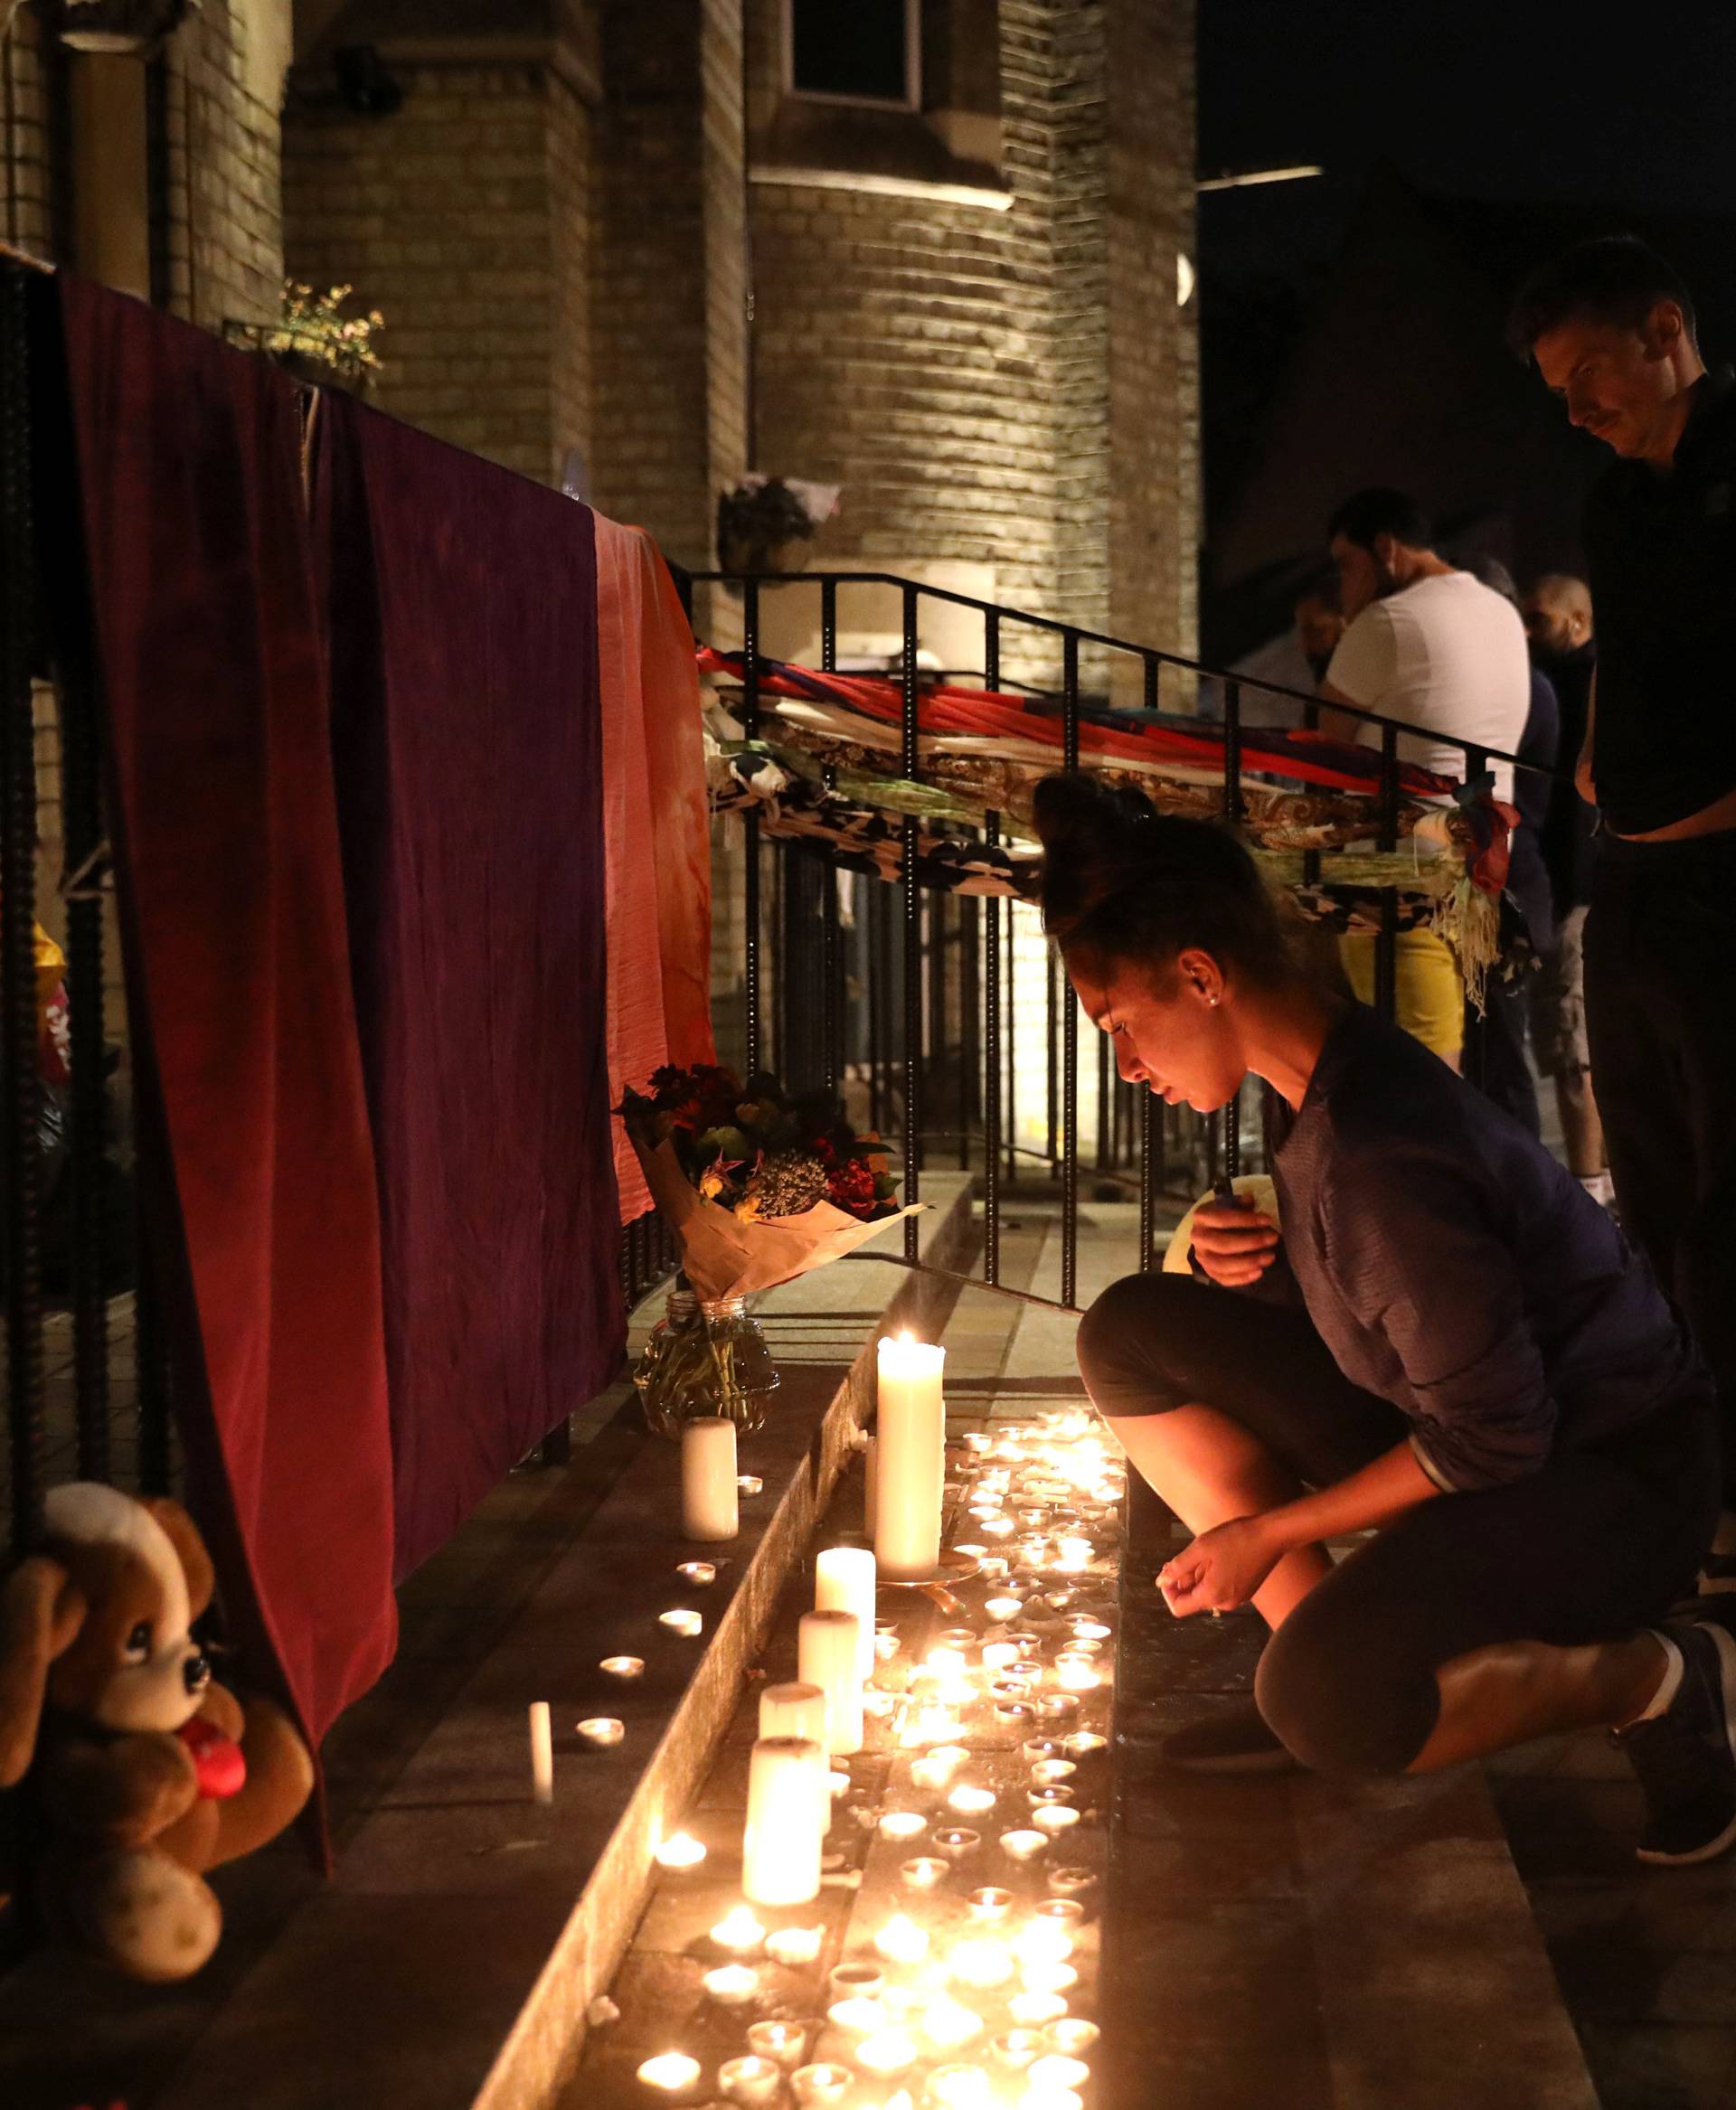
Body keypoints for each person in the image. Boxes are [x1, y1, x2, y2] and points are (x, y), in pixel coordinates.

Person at [1037, 772, 1731, 1862]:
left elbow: (1497, 1434)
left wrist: (1264, 1532)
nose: (1128, 1067)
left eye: (1124, 1025)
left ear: (1201, 976)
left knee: (1330, 1704)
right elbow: (1388, 1304)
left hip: (1615, 1478)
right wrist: (1262, 1275)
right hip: (1496, 1427)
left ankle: (1663, 1681)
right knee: (1130, 1329)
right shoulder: (1314, 1069)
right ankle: (1319, 1659)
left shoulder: (1377, 1150)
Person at [1509, 236, 1736, 1551]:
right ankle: (1669, 1471)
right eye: (1557, 391)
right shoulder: (1614, 505)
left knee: (1727, 1192)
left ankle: (1726, 1487)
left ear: (1665, 330)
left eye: (1590, 372)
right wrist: (1594, 751)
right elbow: (1627, 647)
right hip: (1634, 873)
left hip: (1725, 874)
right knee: (1645, 1180)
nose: (1578, 408)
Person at [1316, 489, 1532, 1071]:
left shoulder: (1388, 621)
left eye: (1346, 564)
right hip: (1481, 864)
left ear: (1385, 549)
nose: (1343, 585)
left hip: (1394, 870)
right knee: (1450, 1054)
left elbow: (1323, 745)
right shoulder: (1501, 613)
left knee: (1417, 1070)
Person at [1456, 553, 1556, 1137]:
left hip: (1509, 881)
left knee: (1501, 1054)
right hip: (1511, 876)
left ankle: (1524, 1189)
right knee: (1489, 1049)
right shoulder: (1525, 684)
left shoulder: (1521, 688)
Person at [1520, 571, 1609, 1203]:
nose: (1528, 630)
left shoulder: (1585, 686)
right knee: (1566, 1046)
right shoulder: (1559, 686)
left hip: (1579, 888)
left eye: (1541, 618)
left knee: (1575, 1050)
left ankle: (1592, 1190)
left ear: (1577, 621)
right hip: (1566, 885)